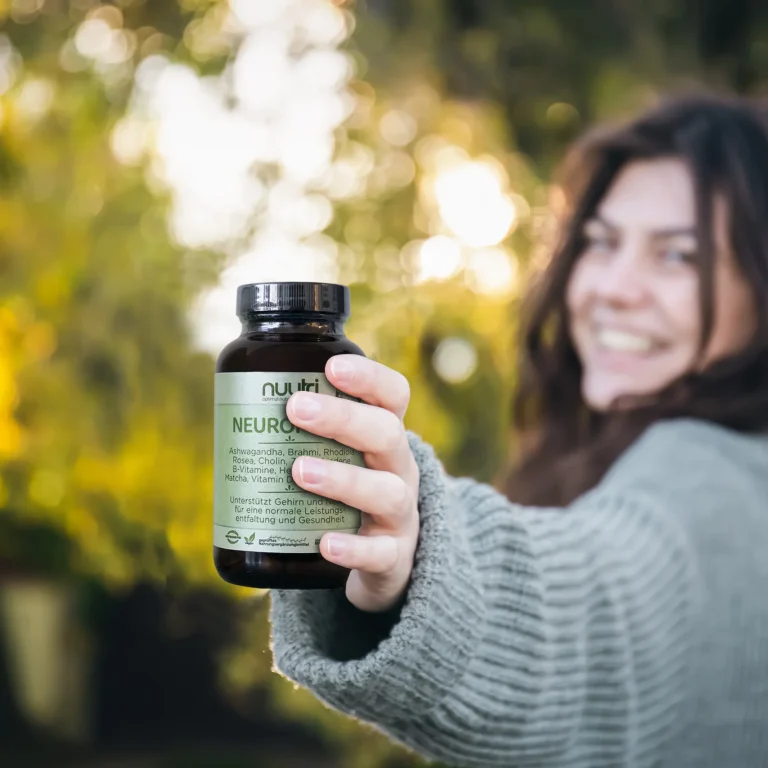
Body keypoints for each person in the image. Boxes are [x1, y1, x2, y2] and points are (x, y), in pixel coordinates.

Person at [268, 94, 768, 767]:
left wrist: (421, 554)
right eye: (601, 242)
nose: (614, 287)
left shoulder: (708, 478)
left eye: (678, 256)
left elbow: (601, 608)